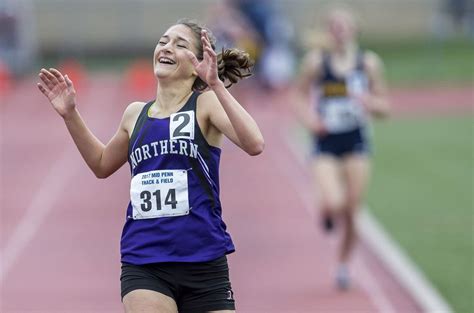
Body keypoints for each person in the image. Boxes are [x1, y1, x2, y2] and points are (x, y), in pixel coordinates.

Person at [37, 18, 264, 313]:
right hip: (145, 260)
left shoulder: (204, 105)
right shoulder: (135, 114)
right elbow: (102, 164)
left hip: (204, 259)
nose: (167, 47)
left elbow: (255, 144)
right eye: (163, 42)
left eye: (180, 45)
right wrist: (70, 115)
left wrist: (216, 85)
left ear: (197, 62)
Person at [295, 7, 389, 290]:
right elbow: (297, 97)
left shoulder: (368, 63)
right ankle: (325, 207)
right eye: (333, 26)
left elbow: (385, 106)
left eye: (344, 26)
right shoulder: (316, 63)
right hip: (326, 141)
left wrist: (370, 103)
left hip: (356, 140)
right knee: (335, 202)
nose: (339, 31)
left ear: (354, 30)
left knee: (351, 209)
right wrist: (311, 120)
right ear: (328, 32)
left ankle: (343, 264)